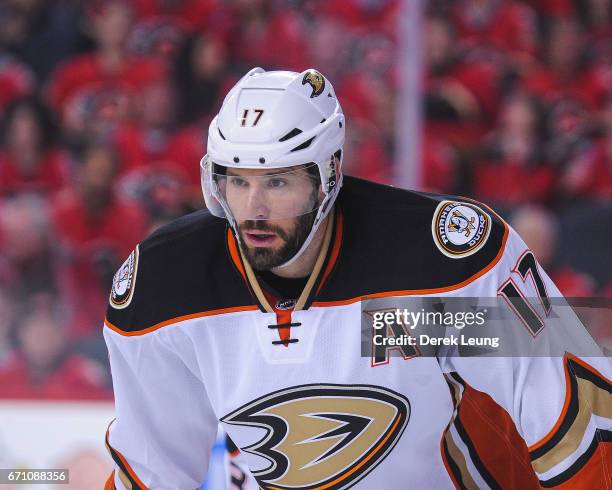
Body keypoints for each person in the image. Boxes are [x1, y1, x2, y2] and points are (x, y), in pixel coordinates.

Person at [103, 68, 610, 490]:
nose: (253, 210)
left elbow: (575, 412)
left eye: (277, 182)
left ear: (329, 174)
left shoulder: (435, 260)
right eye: (237, 181)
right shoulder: (164, 287)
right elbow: (151, 468)